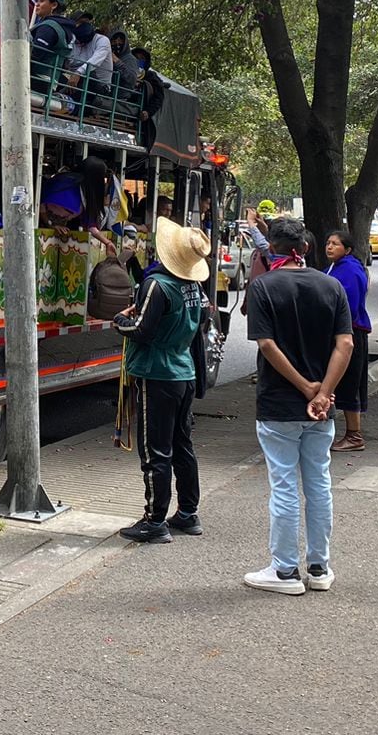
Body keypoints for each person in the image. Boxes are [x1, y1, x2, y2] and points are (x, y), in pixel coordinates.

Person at [242, 216, 354, 595]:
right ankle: (320, 567)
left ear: (271, 248)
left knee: (285, 486)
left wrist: (305, 387)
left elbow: (267, 345)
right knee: (319, 483)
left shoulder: (263, 287)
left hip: (278, 403)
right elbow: (346, 345)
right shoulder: (332, 286)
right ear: (305, 248)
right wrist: (323, 393)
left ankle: (285, 571)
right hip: (322, 408)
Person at [117, 220, 210, 544]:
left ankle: (155, 520)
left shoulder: (157, 284)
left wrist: (120, 321)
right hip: (183, 370)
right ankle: (187, 512)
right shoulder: (193, 287)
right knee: (182, 445)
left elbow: (140, 330)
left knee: (155, 450)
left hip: (156, 373)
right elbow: (204, 318)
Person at [323, 230, 371, 451]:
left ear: (348, 249)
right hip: (340, 331)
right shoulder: (335, 267)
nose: (329, 247)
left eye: (335, 244)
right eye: (328, 243)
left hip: (349, 332)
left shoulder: (350, 270)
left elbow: (348, 306)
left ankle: (354, 435)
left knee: (350, 382)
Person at [38, 156, 118, 253]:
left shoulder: (85, 195)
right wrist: (51, 225)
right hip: (42, 233)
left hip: (59, 239)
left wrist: (107, 243)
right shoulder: (66, 184)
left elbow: (91, 227)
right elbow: (40, 203)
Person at [30, 0, 72, 104]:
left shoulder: (48, 27)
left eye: (42, 1)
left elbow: (36, 54)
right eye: (37, 0)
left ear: (54, 5)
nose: (37, 4)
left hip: (37, 79)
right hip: (49, 81)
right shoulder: (62, 27)